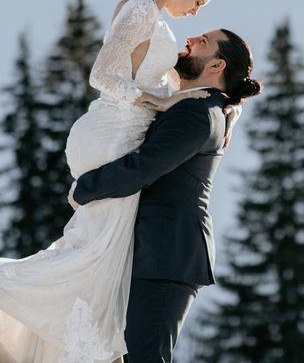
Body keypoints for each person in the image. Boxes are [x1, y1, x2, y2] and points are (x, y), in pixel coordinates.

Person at [0, 0, 227, 363]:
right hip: (114, 136)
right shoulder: (140, 10)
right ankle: (12, 305)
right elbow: (101, 74)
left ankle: (97, 349)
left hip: (116, 133)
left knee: (103, 260)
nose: (194, 13)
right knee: (97, 259)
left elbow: (167, 79)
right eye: (198, 1)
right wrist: (156, 103)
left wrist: (229, 104)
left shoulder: (148, 11)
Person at [70, 27, 262, 363]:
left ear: (216, 66)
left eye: (202, 41)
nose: (190, 40)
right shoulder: (201, 107)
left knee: (145, 357)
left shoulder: (197, 111)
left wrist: (84, 188)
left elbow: (145, 166)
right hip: (156, 250)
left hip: (166, 252)